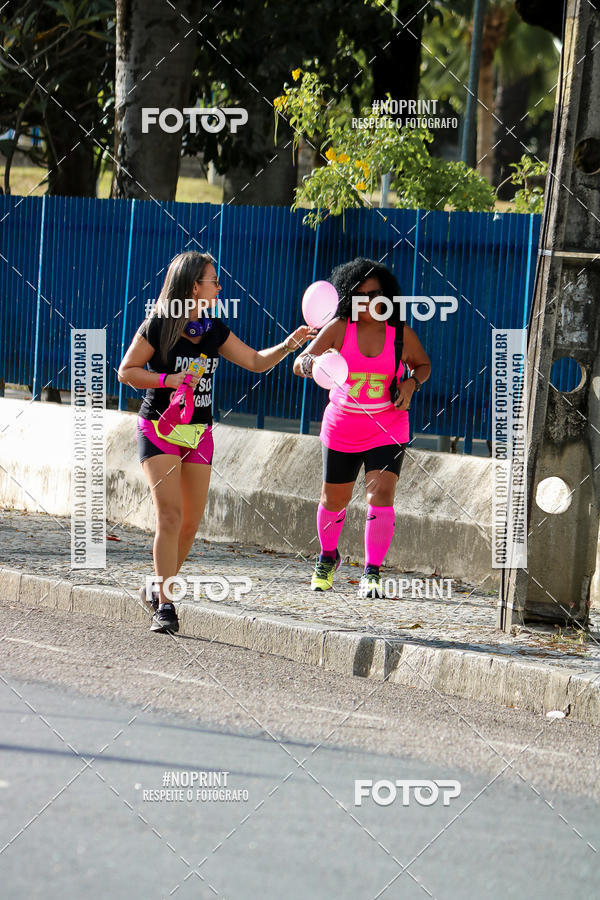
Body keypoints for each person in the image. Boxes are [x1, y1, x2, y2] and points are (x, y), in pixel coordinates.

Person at [118, 251, 315, 633]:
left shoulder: (212, 329)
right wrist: (167, 381)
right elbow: (127, 371)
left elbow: (256, 362)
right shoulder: (158, 325)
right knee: (170, 516)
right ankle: (167, 606)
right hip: (159, 428)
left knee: (190, 524)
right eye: (213, 280)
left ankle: (156, 588)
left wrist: (289, 345)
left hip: (199, 431)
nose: (220, 286)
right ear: (194, 285)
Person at [293, 257, 431, 599]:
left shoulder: (401, 334)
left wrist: (412, 384)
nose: (369, 300)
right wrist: (313, 364)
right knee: (334, 501)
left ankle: (372, 571)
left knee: (380, 496)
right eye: (360, 294)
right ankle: (327, 558)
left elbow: (424, 365)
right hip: (343, 425)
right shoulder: (339, 329)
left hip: (388, 425)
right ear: (348, 298)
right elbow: (299, 363)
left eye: (376, 293)